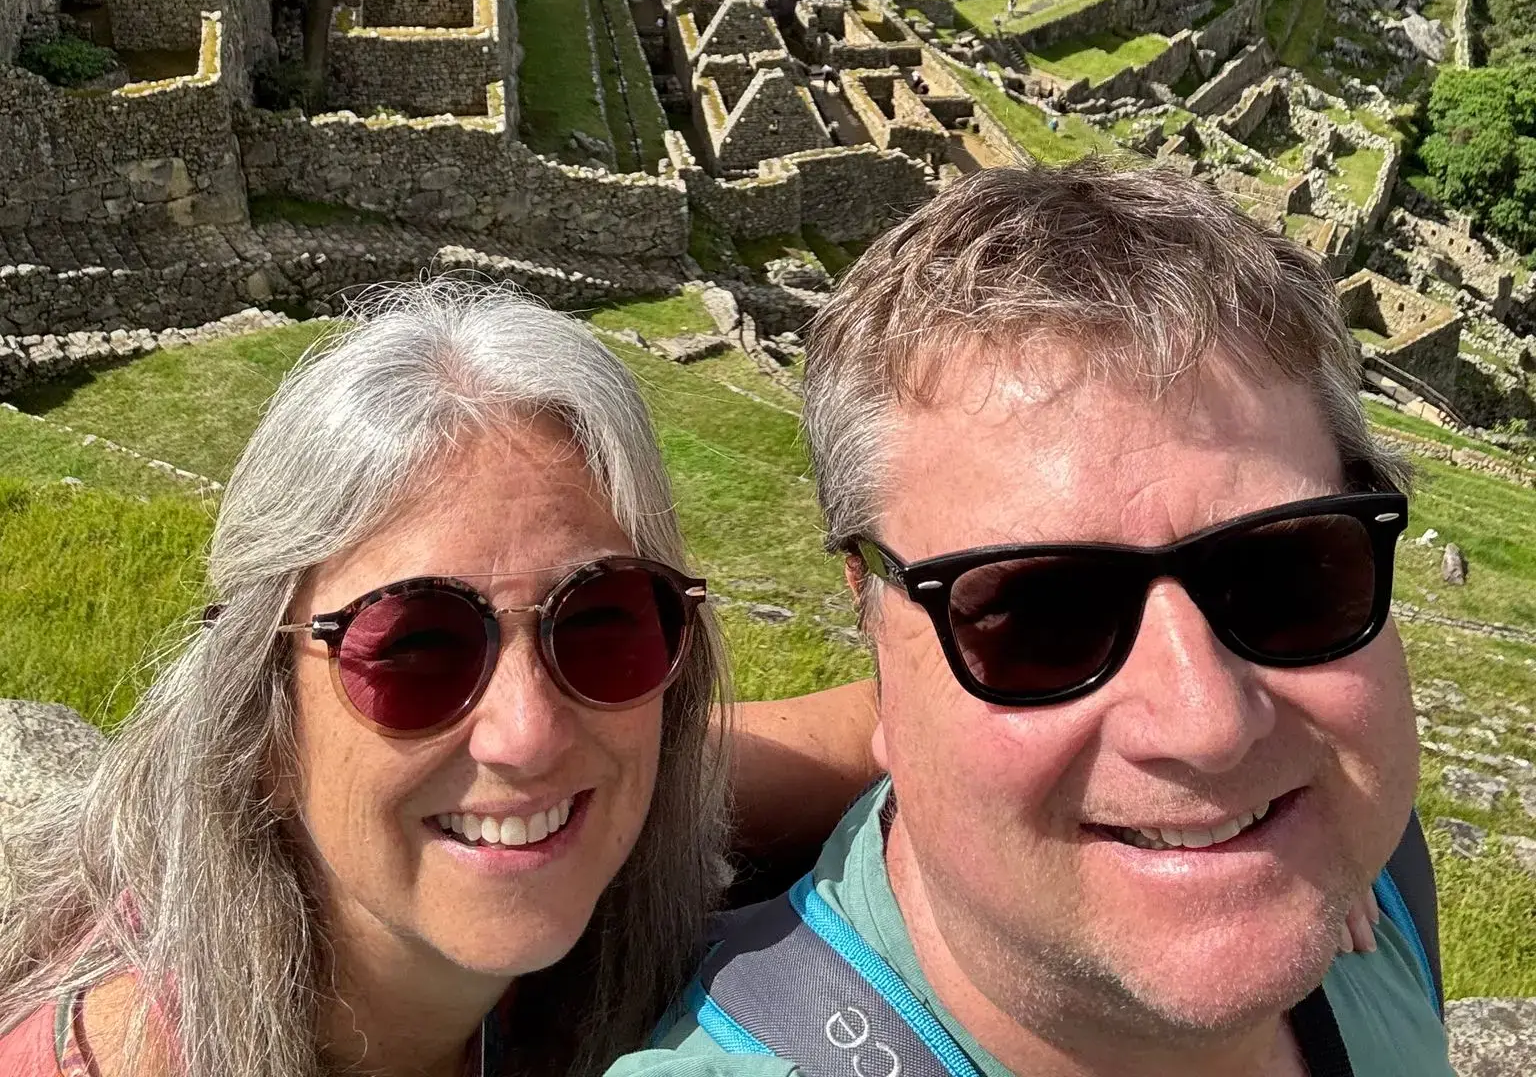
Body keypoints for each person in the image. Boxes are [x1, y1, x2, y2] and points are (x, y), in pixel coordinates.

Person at [624, 165, 1451, 1077]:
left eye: (1286, 574)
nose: (1208, 726)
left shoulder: (1376, 880)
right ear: (874, 625)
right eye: (1038, 619)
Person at [0, 283, 875, 1077]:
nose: (527, 734)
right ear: (263, 719)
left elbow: (907, 719)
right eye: (418, 649)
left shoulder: (636, 784)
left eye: (602, 623)